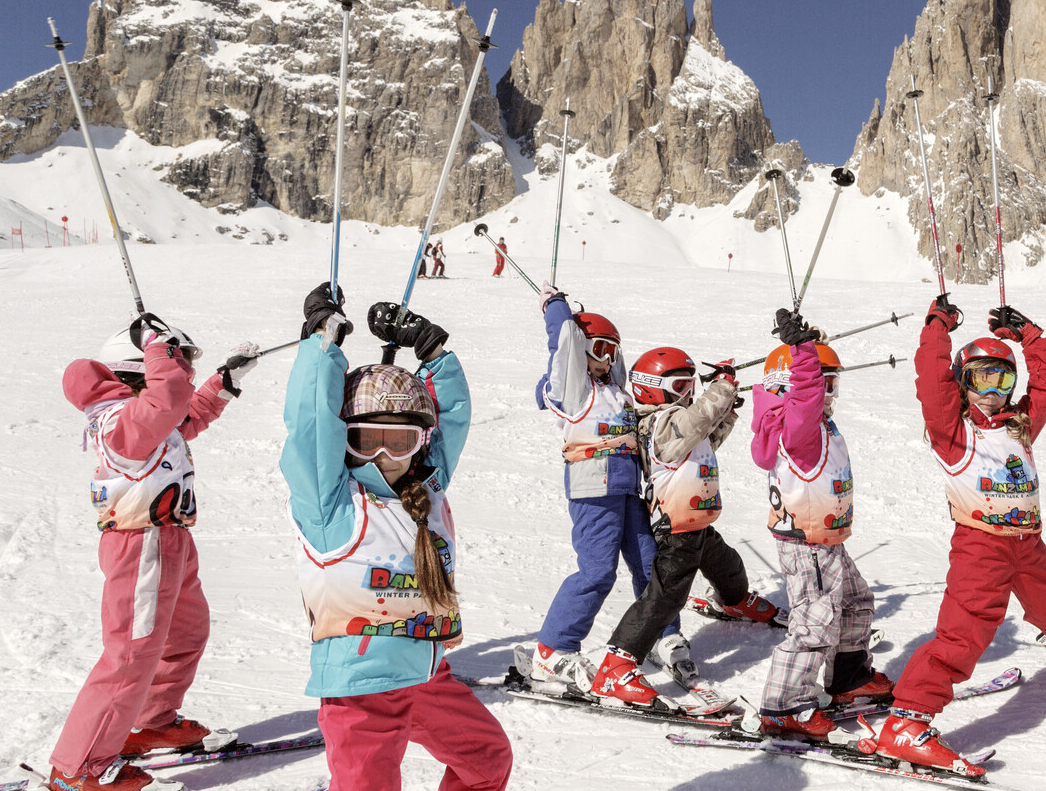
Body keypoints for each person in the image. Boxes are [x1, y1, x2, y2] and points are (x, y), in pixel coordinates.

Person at [871, 299, 1046, 776]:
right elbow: (930, 382)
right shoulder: (953, 431)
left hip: (1027, 543)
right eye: (981, 378)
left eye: (1003, 379)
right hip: (981, 546)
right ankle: (906, 721)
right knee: (965, 630)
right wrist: (938, 328)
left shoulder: (1020, 426)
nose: (994, 391)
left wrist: (1030, 337)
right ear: (962, 382)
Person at [279, 284, 511, 790]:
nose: (384, 456)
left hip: (426, 675)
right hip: (361, 688)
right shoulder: (333, 505)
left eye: (400, 440)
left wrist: (432, 350)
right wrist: (322, 344)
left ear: (420, 441)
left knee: (486, 759)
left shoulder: (427, 488)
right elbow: (310, 427)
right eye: (367, 440)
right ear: (347, 440)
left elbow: (451, 418)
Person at [47, 315, 257, 791]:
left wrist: (224, 381)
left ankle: (150, 722)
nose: (179, 371)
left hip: (170, 539)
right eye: (173, 365)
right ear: (135, 375)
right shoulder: (118, 421)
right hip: (141, 543)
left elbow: (185, 416)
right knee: (131, 655)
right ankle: (79, 768)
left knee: (186, 632)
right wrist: (160, 348)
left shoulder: (143, 415)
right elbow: (168, 401)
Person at [588, 347, 782, 710]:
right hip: (677, 528)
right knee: (666, 597)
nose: (687, 393)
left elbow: (706, 435)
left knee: (727, 565)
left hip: (698, 523)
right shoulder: (660, 423)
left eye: (689, 385)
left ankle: (735, 600)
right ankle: (617, 664)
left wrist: (728, 409)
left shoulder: (678, 424)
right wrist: (721, 390)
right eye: (679, 386)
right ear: (651, 388)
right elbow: (694, 423)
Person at [518, 288, 686, 691]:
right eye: (599, 348)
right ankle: (553, 651)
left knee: (651, 566)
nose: (608, 359)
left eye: (614, 351)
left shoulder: (619, 392)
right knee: (597, 571)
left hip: (629, 489)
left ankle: (660, 636)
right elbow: (563, 346)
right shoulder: (575, 390)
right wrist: (556, 309)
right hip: (593, 489)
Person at [751, 309, 891, 739]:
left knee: (855, 602)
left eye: (833, 383)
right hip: (808, 544)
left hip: (825, 540)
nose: (830, 393)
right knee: (814, 623)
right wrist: (805, 356)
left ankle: (848, 678)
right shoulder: (799, 430)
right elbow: (804, 399)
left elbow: (805, 399)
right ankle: (784, 706)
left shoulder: (807, 425)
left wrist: (809, 353)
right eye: (823, 384)